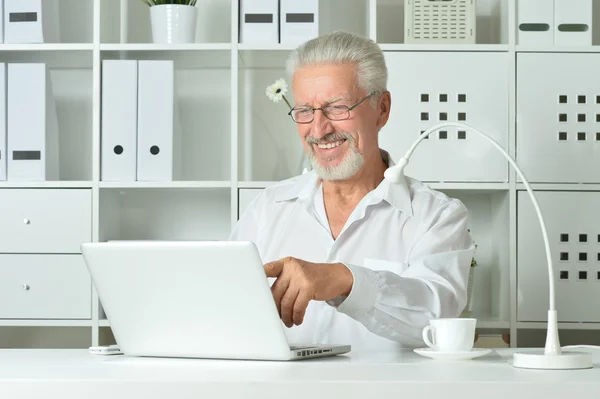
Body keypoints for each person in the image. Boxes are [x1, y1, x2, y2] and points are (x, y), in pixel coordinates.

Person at [229, 31, 475, 351]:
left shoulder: (436, 216)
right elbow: (225, 308)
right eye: (304, 110)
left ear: (381, 109)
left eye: (337, 107)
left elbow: (436, 319)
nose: (318, 130)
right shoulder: (267, 208)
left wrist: (345, 280)